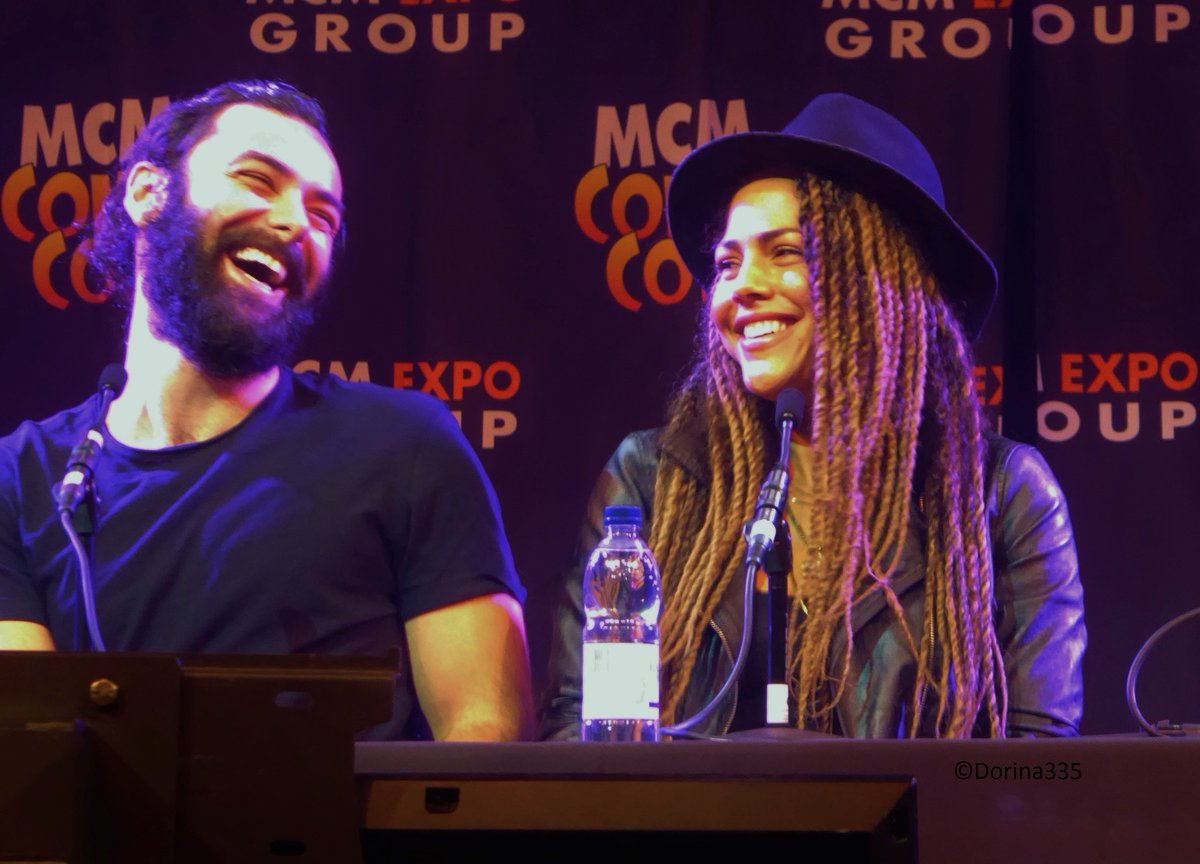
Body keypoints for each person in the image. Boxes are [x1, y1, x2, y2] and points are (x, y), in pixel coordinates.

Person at [0, 80, 534, 741]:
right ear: (147, 193)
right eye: (258, 180)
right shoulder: (21, 475)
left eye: (324, 217)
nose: (293, 224)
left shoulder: (405, 445)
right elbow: (24, 756)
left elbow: (485, 737)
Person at [541, 93, 1086, 739]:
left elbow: (1039, 764)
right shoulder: (653, 479)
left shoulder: (1000, 494)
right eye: (727, 263)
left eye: (785, 253)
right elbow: (579, 736)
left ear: (881, 279)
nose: (741, 286)